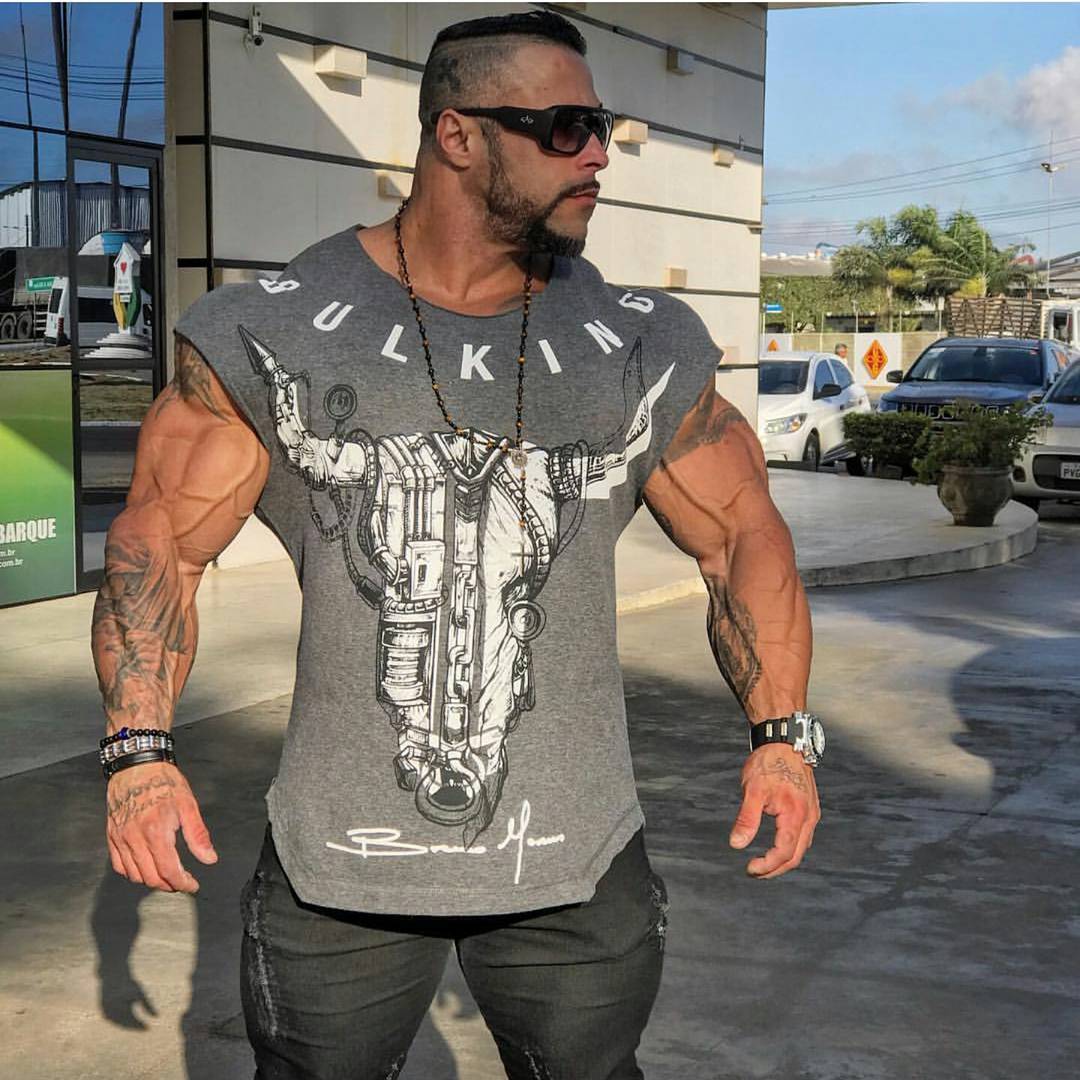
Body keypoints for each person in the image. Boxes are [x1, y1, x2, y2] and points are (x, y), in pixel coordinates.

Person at [91, 10, 820, 1078]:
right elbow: (158, 540)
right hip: (339, 869)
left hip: (575, 865)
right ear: (458, 135)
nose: (597, 155)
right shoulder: (272, 327)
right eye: (564, 127)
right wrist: (139, 757)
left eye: (602, 126)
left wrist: (783, 734)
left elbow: (743, 534)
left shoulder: (639, 343)